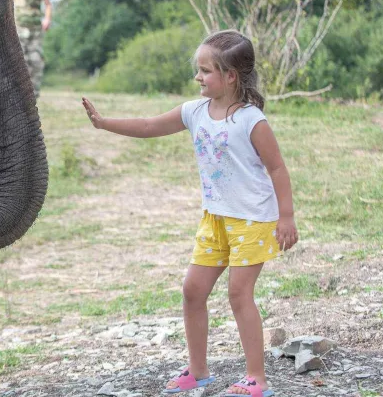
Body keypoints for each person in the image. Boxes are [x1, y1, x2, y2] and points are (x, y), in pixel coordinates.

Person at [82, 30, 298, 397]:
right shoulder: (194, 111)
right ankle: (198, 371)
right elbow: (150, 126)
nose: (198, 77)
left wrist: (287, 217)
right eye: (197, 70)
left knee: (238, 294)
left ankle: (256, 378)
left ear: (230, 76)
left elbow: (277, 168)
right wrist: (105, 124)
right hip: (215, 218)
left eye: (205, 71)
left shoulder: (251, 120)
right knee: (192, 291)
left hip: (253, 219)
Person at [10, 0, 52, 98]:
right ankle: (18, 92)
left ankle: (34, 93)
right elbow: (8, 4)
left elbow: (47, 4)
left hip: (35, 28)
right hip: (18, 27)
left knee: (35, 60)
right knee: (19, 60)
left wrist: (47, 19)